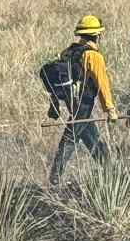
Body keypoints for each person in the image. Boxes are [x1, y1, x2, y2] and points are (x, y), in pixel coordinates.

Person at [49, 14, 118, 184]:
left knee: (90, 135)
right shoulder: (94, 56)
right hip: (83, 102)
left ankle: (110, 170)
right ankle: (55, 177)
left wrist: (54, 104)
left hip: (71, 100)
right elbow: (102, 84)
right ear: (97, 35)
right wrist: (110, 110)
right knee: (72, 136)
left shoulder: (68, 52)